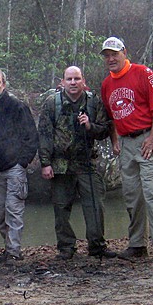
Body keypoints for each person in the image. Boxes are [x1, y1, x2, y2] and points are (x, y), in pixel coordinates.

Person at [100, 37, 153, 262]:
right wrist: (115, 141)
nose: (111, 59)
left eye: (115, 54)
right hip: (125, 142)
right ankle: (137, 245)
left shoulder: (144, 73)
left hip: (148, 138)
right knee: (132, 196)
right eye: (107, 55)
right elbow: (111, 117)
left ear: (124, 52)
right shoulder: (107, 84)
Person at [38, 66, 116, 260]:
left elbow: (105, 129)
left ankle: (97, 246)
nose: (73, 83)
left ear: (83, 81)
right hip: (60, 165)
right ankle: (66, 247)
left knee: (95, 205)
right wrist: (45, 163)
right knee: (61, 208)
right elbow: (45, 135)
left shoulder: (93, 102)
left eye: (77, 79)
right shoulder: (51, 103)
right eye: (69, 79)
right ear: (62, 82)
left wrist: (89, 126)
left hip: (87, 163)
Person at [0, 68, 38, 263]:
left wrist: (23, 162)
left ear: (4, 85)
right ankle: (8, 247)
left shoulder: (17, 106)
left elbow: (31, 136)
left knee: (13, 210)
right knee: (0, 212)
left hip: (15, 167)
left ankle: (14, 251)